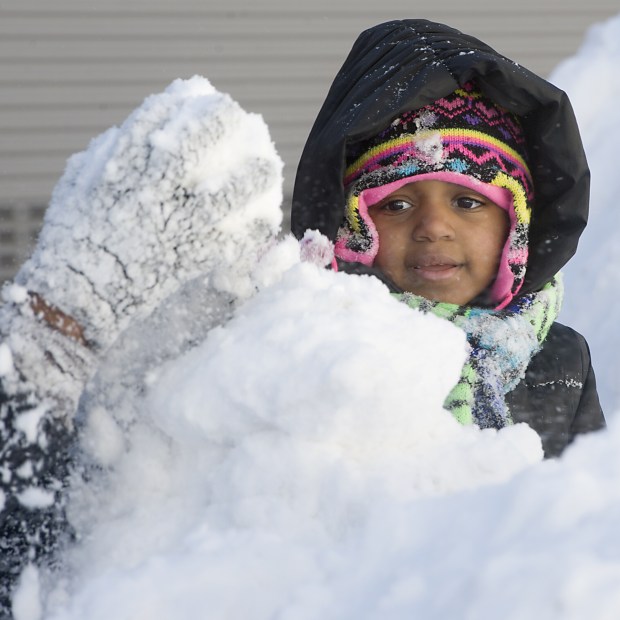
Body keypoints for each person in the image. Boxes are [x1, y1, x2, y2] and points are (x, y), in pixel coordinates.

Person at [291, 19, 605, 457]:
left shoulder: (559, 356)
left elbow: (581, 506)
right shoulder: (309, 349)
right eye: (397, 205)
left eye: (467, 202)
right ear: (349, 230)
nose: (434, 227)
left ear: (516, 225)